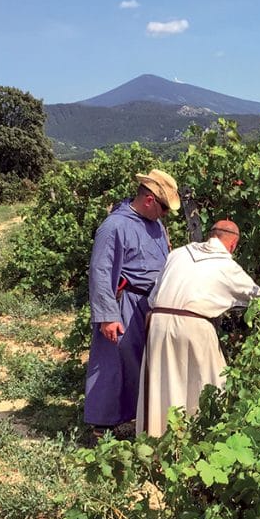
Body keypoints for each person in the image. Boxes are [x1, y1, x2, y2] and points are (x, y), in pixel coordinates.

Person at [136, 219, 260, 437]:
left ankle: (157, 438)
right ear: (233, 245)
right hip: (193, 325)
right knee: (209, 383)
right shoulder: (227, 266)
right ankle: (200, 437)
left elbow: (154, 296)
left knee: (162, 383)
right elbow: (257, 297)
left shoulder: (177, 254)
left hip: (157, 322)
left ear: (210, 236)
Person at [83, 168, 179, 435]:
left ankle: (134, 416)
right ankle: (102, 424)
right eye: (163, 208)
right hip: (124, 304)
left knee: (141, 361)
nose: (165, 214)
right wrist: (107, 316)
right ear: (149, 200)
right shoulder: (114, 226)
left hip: (149, 304)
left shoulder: (156, 224)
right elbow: (101, 271)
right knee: (114, 361)